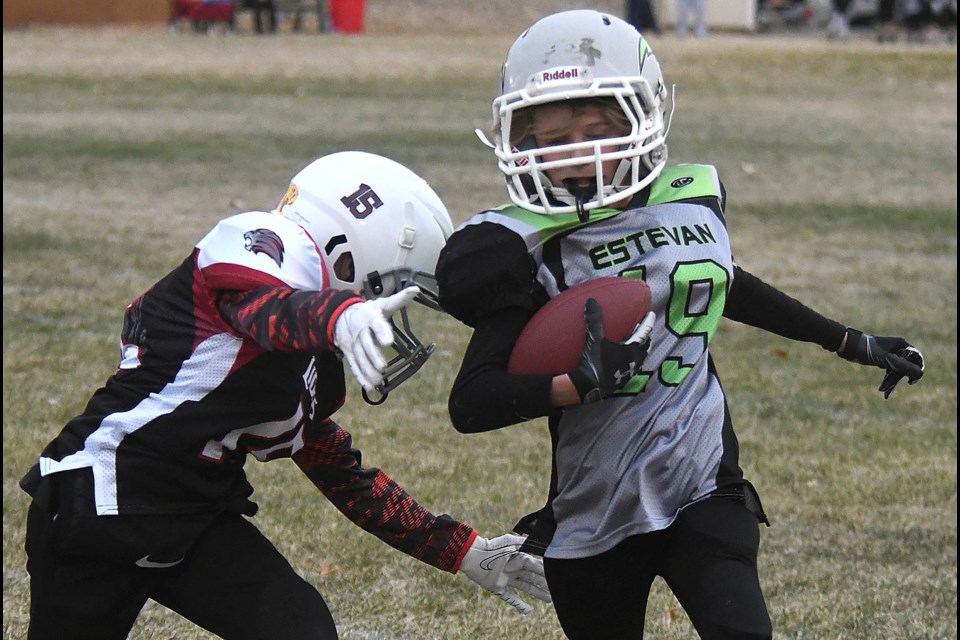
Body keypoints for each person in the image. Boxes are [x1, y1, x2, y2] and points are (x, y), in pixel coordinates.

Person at [436, 10, 925, 640]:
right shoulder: (520, 251)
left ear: (643, 118)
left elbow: (718, 280)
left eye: (596, 130)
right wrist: (572, 386)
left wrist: (847, 339)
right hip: (594, 507)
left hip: (702, 479)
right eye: (554, 139)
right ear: (520, 144)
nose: (579, 152)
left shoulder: (687, 198)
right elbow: (470, 402)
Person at [19, 150, 551, 640]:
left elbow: (343, 475)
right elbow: (264, 311)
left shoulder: (313, 357)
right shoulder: (263, 240)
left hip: (194, 514)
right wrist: (341, 315)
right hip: (104, 503)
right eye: (386, 290)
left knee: (301, 630)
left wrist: (461, 550)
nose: (386, 311)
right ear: (348, 255)